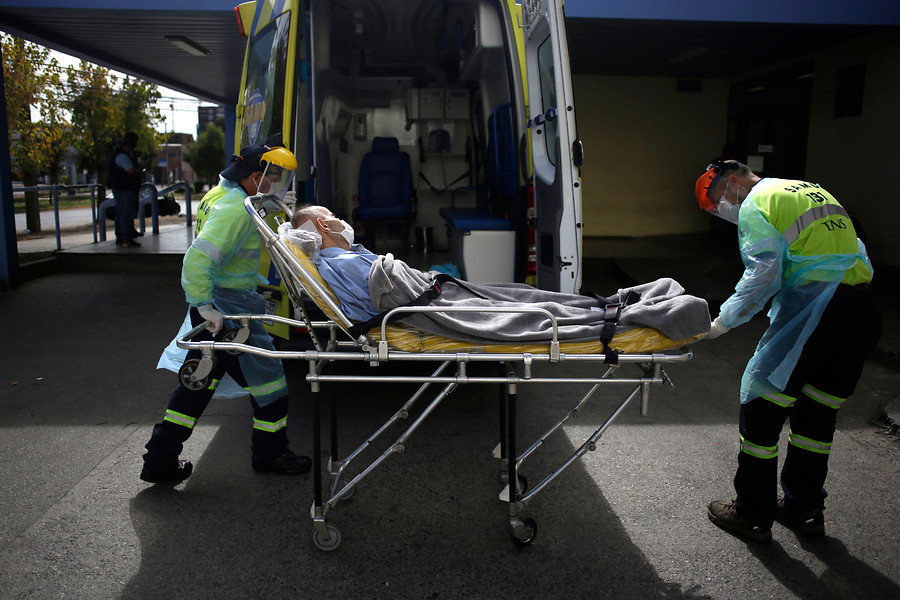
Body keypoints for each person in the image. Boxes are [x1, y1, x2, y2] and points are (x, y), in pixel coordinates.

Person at [695, 160, 882, 542]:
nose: (721, 208)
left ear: (733, 181)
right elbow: (858, 253)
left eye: (717, 197)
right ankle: (804, 509)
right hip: (862, 309)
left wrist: (720, 324)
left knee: (761, 406)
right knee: (817, 413)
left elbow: (763, 274)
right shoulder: (809, 191)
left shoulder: (757, 202)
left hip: (817, 308)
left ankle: (752, 515)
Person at [141, 145, 311, 485]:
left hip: (219, 308)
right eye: (272, 179)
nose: (274, 186)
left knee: (197, 385)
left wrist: (272, 209)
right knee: (270, 382)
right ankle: (270, 453)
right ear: (255, 176)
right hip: (229, 311)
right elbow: (198, 259)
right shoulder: (235, 209)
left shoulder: (219, 194)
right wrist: (205, 305)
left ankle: (159, 461)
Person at [106, 132, 142, 247]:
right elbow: (130, 170)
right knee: (125, 213)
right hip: (125, 188)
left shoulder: (116, 154)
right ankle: (126, 238)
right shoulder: (122, 156)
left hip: (120, 188)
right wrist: (138, 171)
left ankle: (121, 236)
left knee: (121, 212)